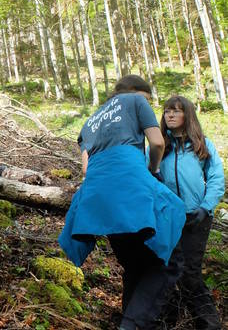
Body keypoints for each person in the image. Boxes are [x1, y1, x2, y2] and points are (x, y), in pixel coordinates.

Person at [57, 75, 186, 330]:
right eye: (147, 100)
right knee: (168, 259)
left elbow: (86, 169)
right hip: (129, 187)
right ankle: (131, 325)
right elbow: (158, 142)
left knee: (136, 266)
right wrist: (152, 170)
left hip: (98, 201)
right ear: (135, 93)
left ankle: (131, 320)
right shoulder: (134, 101)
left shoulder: (90, 121)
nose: (148, 105)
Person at [157, 95, 224, 330]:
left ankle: (209, 325)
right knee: (166, 271)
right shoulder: (158, 146)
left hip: (197, 217)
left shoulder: (201, 144)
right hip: (167, 218)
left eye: (176, 111)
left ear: (188, 115)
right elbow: (148, 177)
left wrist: (206, 208)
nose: (170, 115)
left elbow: (216, 178)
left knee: (190, 273)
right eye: (167, 111)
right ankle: (168, 321)